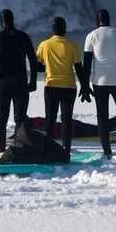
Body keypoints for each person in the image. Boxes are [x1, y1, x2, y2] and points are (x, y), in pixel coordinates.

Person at [83, 9, 116, 158]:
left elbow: (87, 64)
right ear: (108, 19)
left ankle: (107, 151)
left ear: (97, 20)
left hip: (99, 83)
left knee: (102, 116)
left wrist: (85, 86)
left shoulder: (92, 36)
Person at [0, 9, 37, 153]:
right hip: (20, 82)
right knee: (20, 119)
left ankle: (1, 151)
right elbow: (33, 60)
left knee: (1, 119)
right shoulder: (23, 37)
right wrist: (33, 81)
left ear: (0, 22)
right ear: (13, 20)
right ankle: (18, 150)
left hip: (2, 83)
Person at [36, 16, 84, 152]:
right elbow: (78, 67)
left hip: (51, 86)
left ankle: (46, 148)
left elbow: (37, 66)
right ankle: (66, 148)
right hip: (69, 86)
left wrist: (49, 67)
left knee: (50, 119)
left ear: (52, 29)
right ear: (65, 29)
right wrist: (85, 86)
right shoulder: (72, 44)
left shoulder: (44, 45)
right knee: (66, 119)